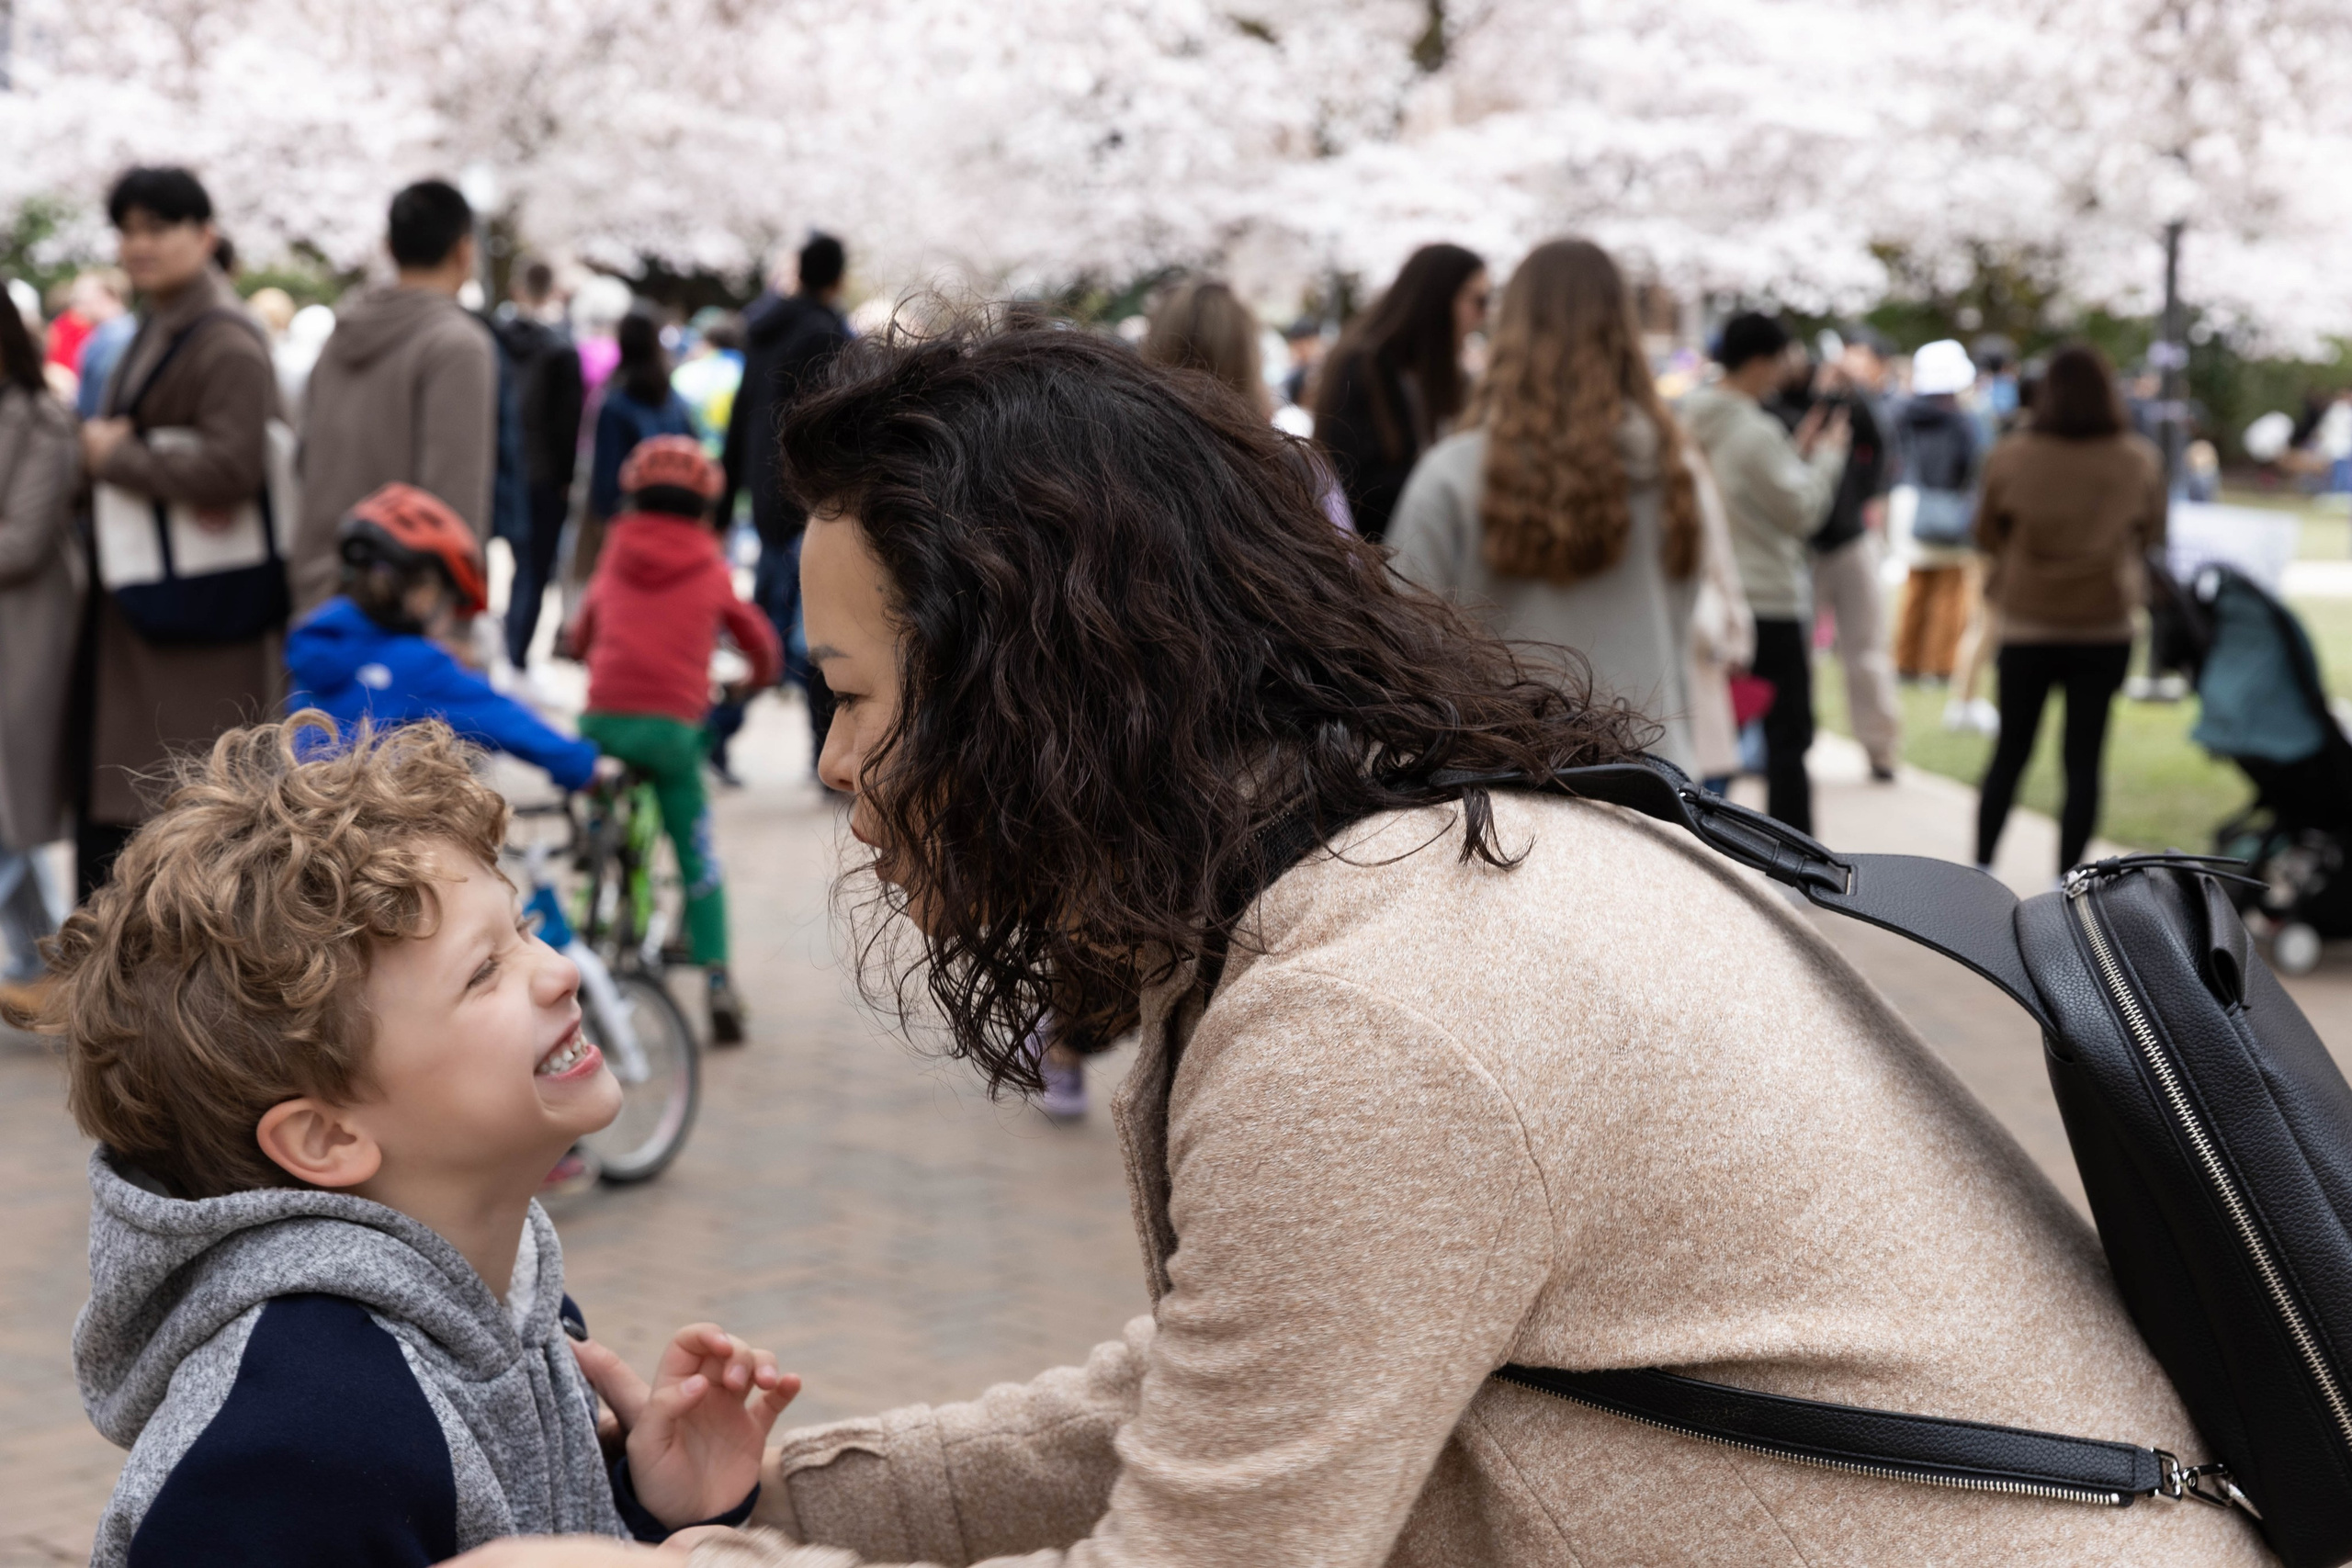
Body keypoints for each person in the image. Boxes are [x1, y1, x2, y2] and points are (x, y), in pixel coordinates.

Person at [463, 321, 2261, 1568]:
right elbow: (1239, 1379)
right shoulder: (1370, 863)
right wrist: (779, 1486)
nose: (839, 770)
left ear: (1043, 689)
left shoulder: (1377, 1012)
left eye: (851, 697)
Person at [16, 716, 796, 1562]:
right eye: (484, 970)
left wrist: (654, 1511)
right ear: (324, 1136)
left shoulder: (511, 1300)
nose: (561, 970)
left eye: (524, 927)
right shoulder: (302, 1432)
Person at [1387, 238, 1709, 773]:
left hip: (1505, 792)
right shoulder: (1673, 471)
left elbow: (1401, 647)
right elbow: (1681, 619)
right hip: (1652, 783)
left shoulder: (1453, 474)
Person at [74, 166, 286, 901]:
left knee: (183, 812)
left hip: (200, 614)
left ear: (205, 236)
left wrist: (113, 455)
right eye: (128, 229)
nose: (139, 244)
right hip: (159, 604)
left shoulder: (223, 338)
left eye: (157, 228)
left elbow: (236, 463)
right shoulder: (159, 324)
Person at [568, 436, 781, 1044]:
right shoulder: (710, 562)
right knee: (697, 852)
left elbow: (582, 632)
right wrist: (750, 682)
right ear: (706, 506)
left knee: (602, 816)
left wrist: (586, 650)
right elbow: (760, 641)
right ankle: (717, 979)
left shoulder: (615, 550)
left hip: (602, 724)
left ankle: (597, 910)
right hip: (673, 731)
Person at [1973, 344, 2166, 877]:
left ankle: (1982, 865)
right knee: (2083, 760)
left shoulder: (2012, 454)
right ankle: (2069, 879)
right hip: (2104, 625)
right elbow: (2153, 534)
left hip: (2027, 621)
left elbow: (1986, 532)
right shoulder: (2137, 459)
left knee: (2010, 751)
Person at [287, 484, 599, 790]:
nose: (448, 619)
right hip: (371, 834)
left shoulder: (317, 641)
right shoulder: (416, 664)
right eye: (446, 599)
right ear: (421, 594)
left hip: (308, 818)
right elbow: (507, 722)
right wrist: (583, 765)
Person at [291, 180, 498, 617]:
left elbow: (304, 459)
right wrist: (459, 617)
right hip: (402, 612)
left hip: (318, 591)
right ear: (465, 251)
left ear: (388, 247)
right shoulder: (456, 345)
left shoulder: (340, 332)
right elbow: (454, 497)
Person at [1679, 312, 1848, 834]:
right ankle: (1792, 855)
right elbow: (1800, 510)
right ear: (1760, 360)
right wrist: (1827, 460)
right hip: (1768, 599)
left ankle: (1692, 846)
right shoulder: (1753, 430)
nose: (1786, 370)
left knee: (1709, 734)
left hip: (1705, 601)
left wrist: (1794, 453)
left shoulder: (1685, 417)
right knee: (1787, 738)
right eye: (1781, 358)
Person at [722, 233, 852, 774]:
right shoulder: (826, 335)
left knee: (768, 634)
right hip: (810, 504)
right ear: (838, 276)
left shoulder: (762, 331)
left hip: (766, 504)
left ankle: (714, 733)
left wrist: (727, 496)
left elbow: (741, 413)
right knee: (821, 640)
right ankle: (824, 755)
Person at [0, 282, 83, 1010]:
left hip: (25, 633)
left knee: (15, 804)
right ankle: (39, 961)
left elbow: (22, 542)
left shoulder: (41, 419)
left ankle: (43, 960)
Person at [1311, 242, 1487, 542]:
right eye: (1479, 300)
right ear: (1439, 297)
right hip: (1374, 560)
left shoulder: (1430, 372)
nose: (1483, 315)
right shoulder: (1364, 366)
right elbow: (1358, 489)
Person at [1804, 333, 1902, 780]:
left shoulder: (1858, 408)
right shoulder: (1797, 403)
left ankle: (1881, 749)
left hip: (1850, 539)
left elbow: (1879, 442)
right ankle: (1784, 745)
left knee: (1866, 653)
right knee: (1795, 657)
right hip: (1802, 545)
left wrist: (1852, 388)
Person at [492, 261, 586, 668]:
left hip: (499, 467)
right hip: (545, 474)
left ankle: (492, 653)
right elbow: (569, 423)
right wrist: (567, 476)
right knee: (533, 568)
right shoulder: (561, 349)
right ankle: (515, 657)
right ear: (553, 290)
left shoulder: (492, 341)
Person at [575, 310, 694, 595]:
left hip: (629, 520)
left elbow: (606, 477)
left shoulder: (614, 401)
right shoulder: (673, 398)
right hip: (676, 517)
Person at [1891, 337, 1984, 687]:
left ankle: (1906, 661)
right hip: (1946, 504)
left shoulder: (1901, 413)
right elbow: (1972, 464)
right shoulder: (1961, 421)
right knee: (1949, 589)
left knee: (1914, 586)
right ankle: (1941, 665)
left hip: (1909, 503)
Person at [69, 270, 138, 421]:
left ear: (107, 296)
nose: (75, 308)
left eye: (81, 300)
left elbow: (98, 399)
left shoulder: (116, 338)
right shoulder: (111, 334)